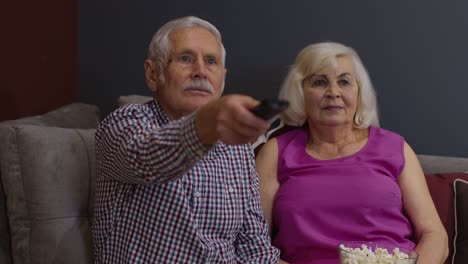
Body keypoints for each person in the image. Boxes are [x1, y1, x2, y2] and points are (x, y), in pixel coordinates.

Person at [92, 16, 282, 263]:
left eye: (211, 61)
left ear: (222, 79)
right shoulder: (125, 124)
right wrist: (208, 122)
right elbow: (148, 158)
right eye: (185, 59)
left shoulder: (238, 149)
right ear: (152, 74)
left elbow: (255, 248)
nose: (200, 71)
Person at [255, 42, 449, 264]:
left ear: (359, 92)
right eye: (320, 82)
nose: (333, 92)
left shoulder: (395, 147)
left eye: (344, 82)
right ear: (300, 92)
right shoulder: (276, 151)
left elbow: (434, 235)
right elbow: (253, 243)